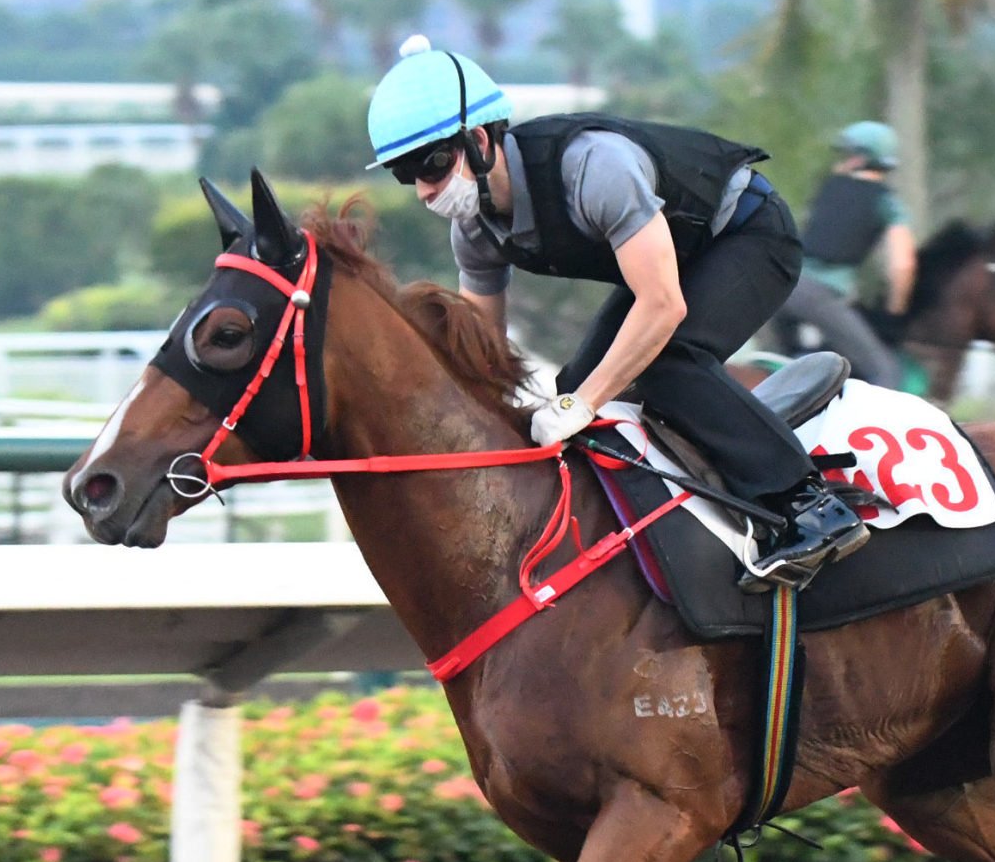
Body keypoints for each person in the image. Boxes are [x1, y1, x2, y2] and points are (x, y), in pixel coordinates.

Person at [365, 36, 868, 588]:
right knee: (576, 381)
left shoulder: (592, 167)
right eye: (404, 173)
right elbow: (482, 354)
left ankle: (809, 506)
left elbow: (662, 306)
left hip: (749, 235)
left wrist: (582, 403)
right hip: (677, 258)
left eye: (432, 166)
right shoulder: (474, 229)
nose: (423, 191)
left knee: (663, 359)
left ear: (480, 140)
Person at [772, 120, 917, 391]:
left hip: (779, 285)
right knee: (886, 372)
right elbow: (902, 264)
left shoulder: (828, 188)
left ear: (861, 158)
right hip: (820, 295)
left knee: (784, 366)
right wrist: (896, 308)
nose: (842, 161)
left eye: (847, 154)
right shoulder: (886, 202)